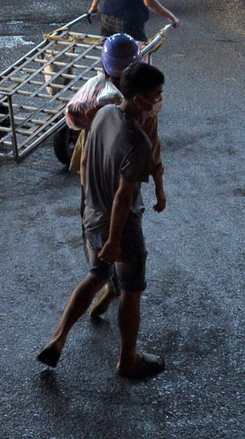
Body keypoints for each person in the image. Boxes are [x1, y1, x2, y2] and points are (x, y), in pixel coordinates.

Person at [38, 61, 168, 380]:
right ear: (139, 98)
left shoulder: (105, 113)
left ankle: (57, 339)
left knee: (96, 274)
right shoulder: (138, 142)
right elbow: (124, 198)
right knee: (131, 289)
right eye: (156, 95)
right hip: (119, 230)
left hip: (92, 216)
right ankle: (128, 359)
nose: (159, 101)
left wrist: (89, 212)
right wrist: (114, 241)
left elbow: (84, 161)